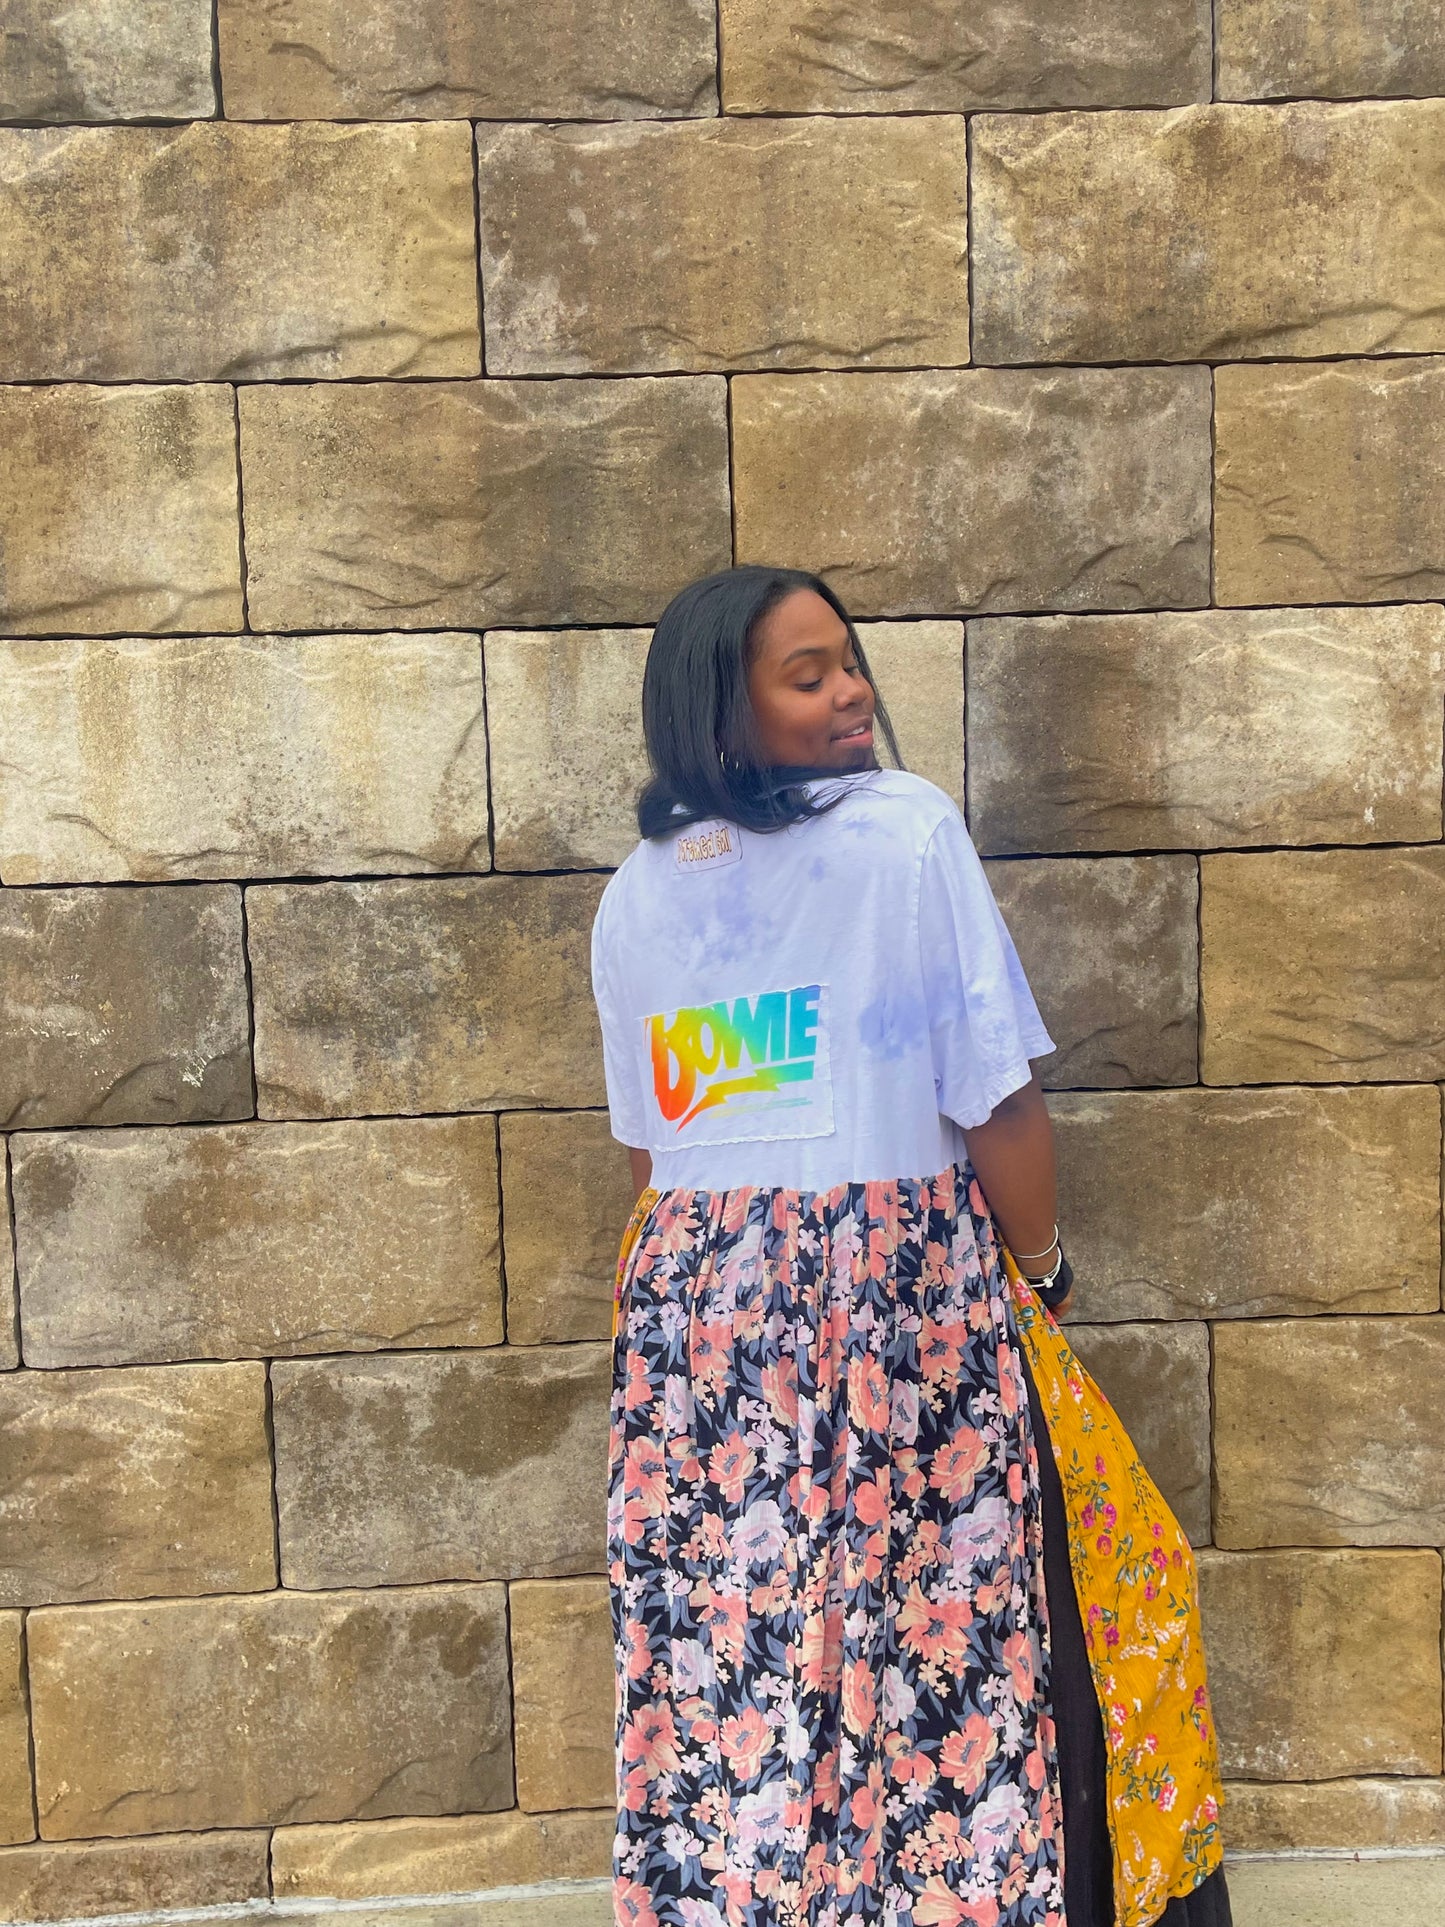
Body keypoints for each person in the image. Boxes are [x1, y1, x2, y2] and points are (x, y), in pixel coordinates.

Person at [590, 565, 1231, 1927]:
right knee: (944, 1637)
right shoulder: (905, 833)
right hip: (896, 1300)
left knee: (740, 1654)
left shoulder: (637, 892)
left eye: (849, 661)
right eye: (808, 674)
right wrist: (1041, 1272)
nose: (853, 692)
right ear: (718, 712)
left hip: (698, 1335)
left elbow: (655, 1155)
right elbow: (997, 1102)